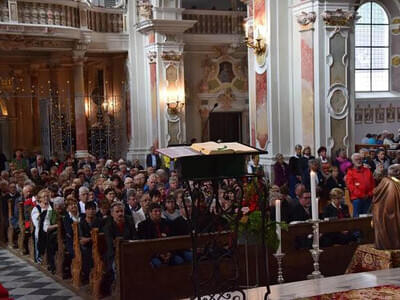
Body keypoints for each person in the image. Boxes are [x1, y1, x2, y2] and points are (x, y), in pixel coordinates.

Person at [372, 164, 400, 250]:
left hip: (382, 213)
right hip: (389, 213)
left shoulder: (387, 181)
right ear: (397, 172)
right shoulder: (391, 184)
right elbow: (392, 203)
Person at [346, 153, 375, 217]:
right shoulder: (350, 172)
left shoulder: (367, 170)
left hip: (368, 197)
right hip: (357, 199)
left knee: (367, 217)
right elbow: (351, 187)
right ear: (352, 161)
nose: (358, 161)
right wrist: (362, 195)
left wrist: (369, 194)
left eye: (360, 159)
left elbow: (373, 185)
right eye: (356, 160)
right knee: (357, 218)